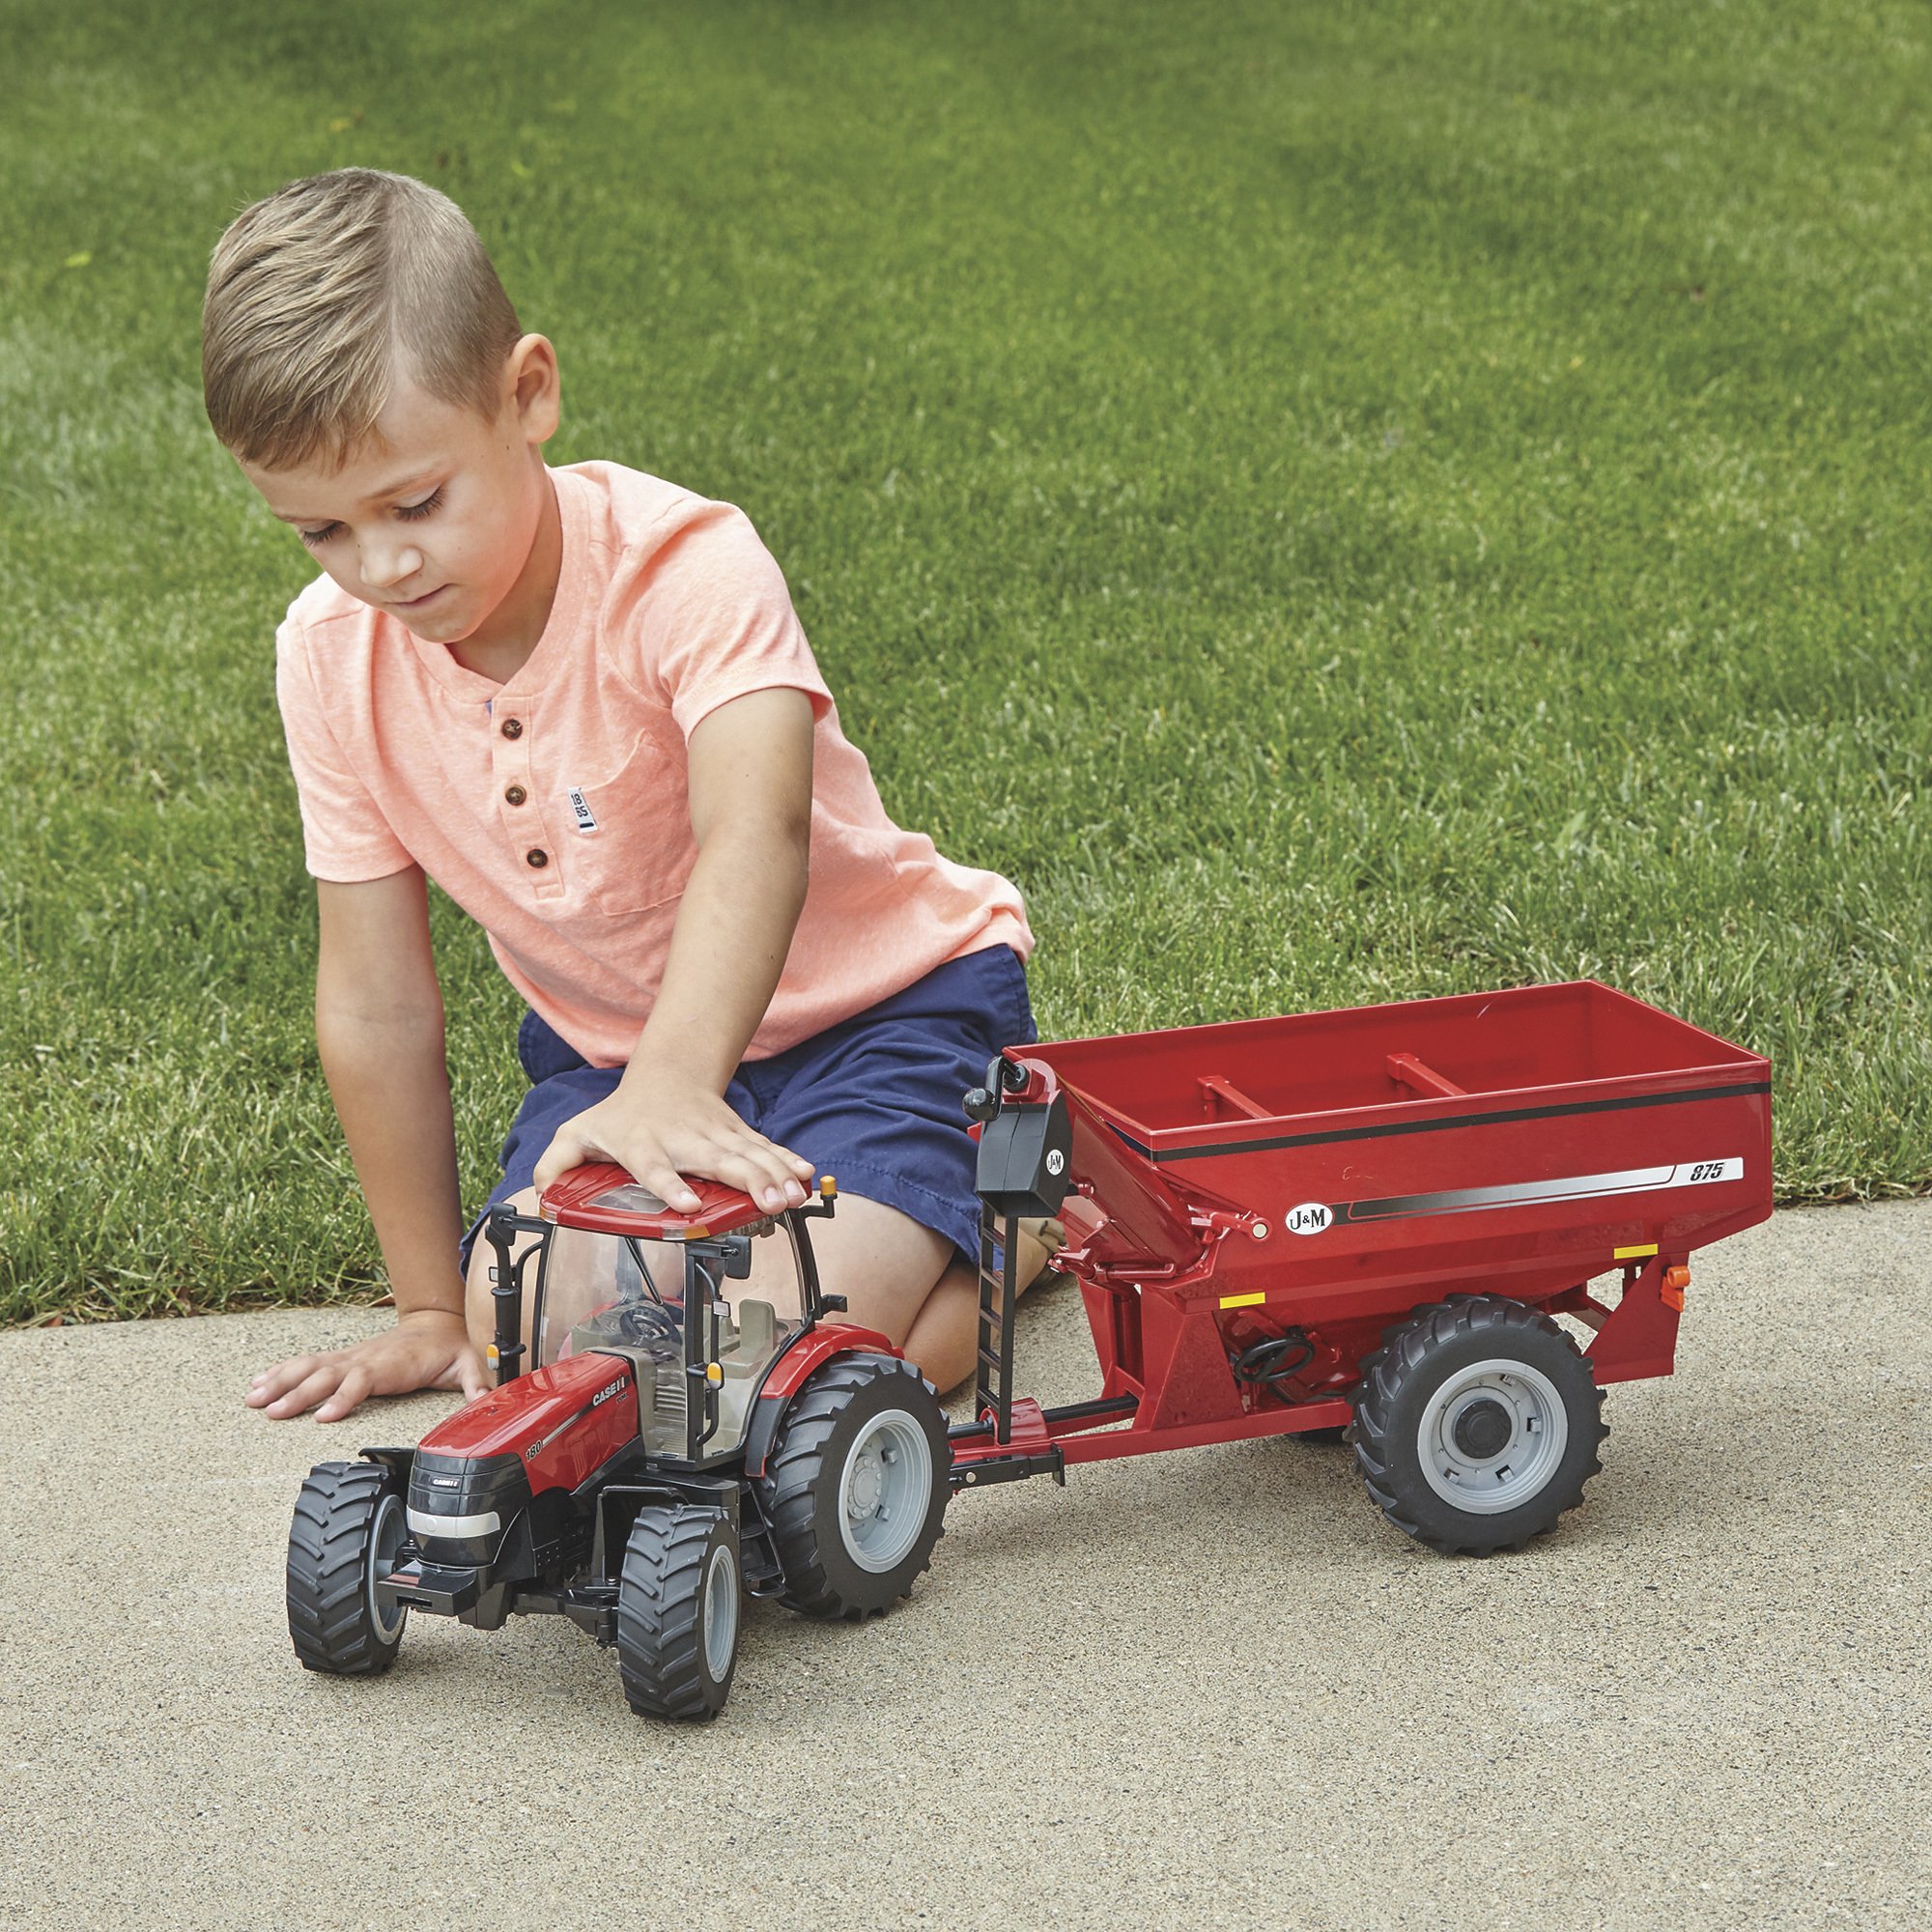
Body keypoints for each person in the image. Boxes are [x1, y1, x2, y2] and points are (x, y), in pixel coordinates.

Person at [202, 167, 1059, 1424]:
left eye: (416, 503)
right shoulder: (330, 658)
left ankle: (1018, 1229)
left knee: (771, 1351)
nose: (379, 564)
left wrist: (679, 1084)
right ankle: (888, 1243)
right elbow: (377, 1001)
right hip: (613, 1054)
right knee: (521, 1333)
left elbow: (756, 835)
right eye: (320, 532)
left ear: (528, 395)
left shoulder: (686, 568)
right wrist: (428, 1310)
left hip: (883, 1016)